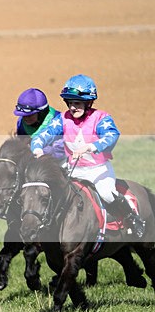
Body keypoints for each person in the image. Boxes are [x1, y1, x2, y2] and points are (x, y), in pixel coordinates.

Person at [31, 74, 145, 238]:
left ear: (88, 102)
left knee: (107, 194)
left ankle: (132, 219)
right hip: (72, 170)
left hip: (98, 170)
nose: (72, 108)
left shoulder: (101, 118)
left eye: (76, 103)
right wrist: (38, 149)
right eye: (70, 103)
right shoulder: (62, 119)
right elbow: (42, 135)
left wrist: (90, 147)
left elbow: (112, 136)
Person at [13, 88, 65, 161]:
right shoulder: (21, 122)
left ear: (41, 113)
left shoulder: (58, 120)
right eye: (23, 115)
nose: (26, 118)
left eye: (30, 115)